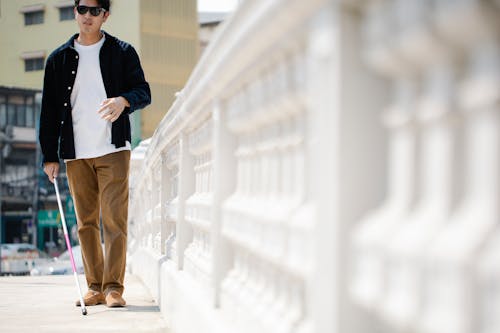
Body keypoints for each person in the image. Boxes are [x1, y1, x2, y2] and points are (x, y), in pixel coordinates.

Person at [39, 0, 151, 308]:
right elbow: (48, 111)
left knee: (114, 219)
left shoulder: (122, 52)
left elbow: (144, 91)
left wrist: (123, 101)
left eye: (95, 10)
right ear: (75, 12)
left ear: (105, 15)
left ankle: (114, 288)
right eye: (82, 9)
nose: (88, 16)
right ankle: (94, 287)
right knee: (86, 222)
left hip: (113, 148)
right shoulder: (58, 60)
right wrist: (49, 156)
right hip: (76, 153)